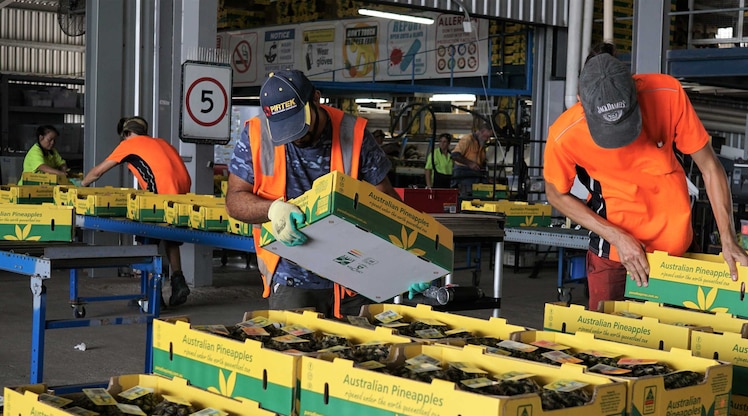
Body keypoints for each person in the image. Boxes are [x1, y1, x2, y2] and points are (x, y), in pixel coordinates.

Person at [543, 43, 748, 310]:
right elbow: (554, 193)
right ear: (581, 101)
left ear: (634, 87)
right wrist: (617, 236)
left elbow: (710, 167)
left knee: (679, 340)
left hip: (678, 250)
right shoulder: (565, 135)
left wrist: (728, 238)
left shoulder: (666, 94)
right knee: (606, 342)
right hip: (614, 256)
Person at [225, 70, 429, 318]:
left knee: (360, 353)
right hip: (292, 279)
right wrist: (271, 209)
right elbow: (234, 200)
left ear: (317, 99)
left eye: (298, 125)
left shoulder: (353, 134)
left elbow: (386, 201)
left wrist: (412, 262)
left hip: (355, 275)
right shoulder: (256, 134)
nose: (294, 137)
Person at [81, 116, 192, 306]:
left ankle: (152, 295)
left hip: (161, 194)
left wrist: (80, 185)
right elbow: (156, 173)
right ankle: (178, 280)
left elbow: (98, 171)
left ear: (126, 134)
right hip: (183, 193)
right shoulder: (161, 143)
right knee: (171, 238)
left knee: (146, 238)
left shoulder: (129, 144)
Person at [451, 122, 493, 198]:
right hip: (463, 174)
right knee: (466, 197)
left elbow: (481, 163)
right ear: (482, 131)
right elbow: (455, 155)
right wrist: (469, 163)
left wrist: (487, 178)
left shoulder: (481, 144)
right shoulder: (467, 140)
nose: (488, 139)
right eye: (487, 136)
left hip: (475, 174)